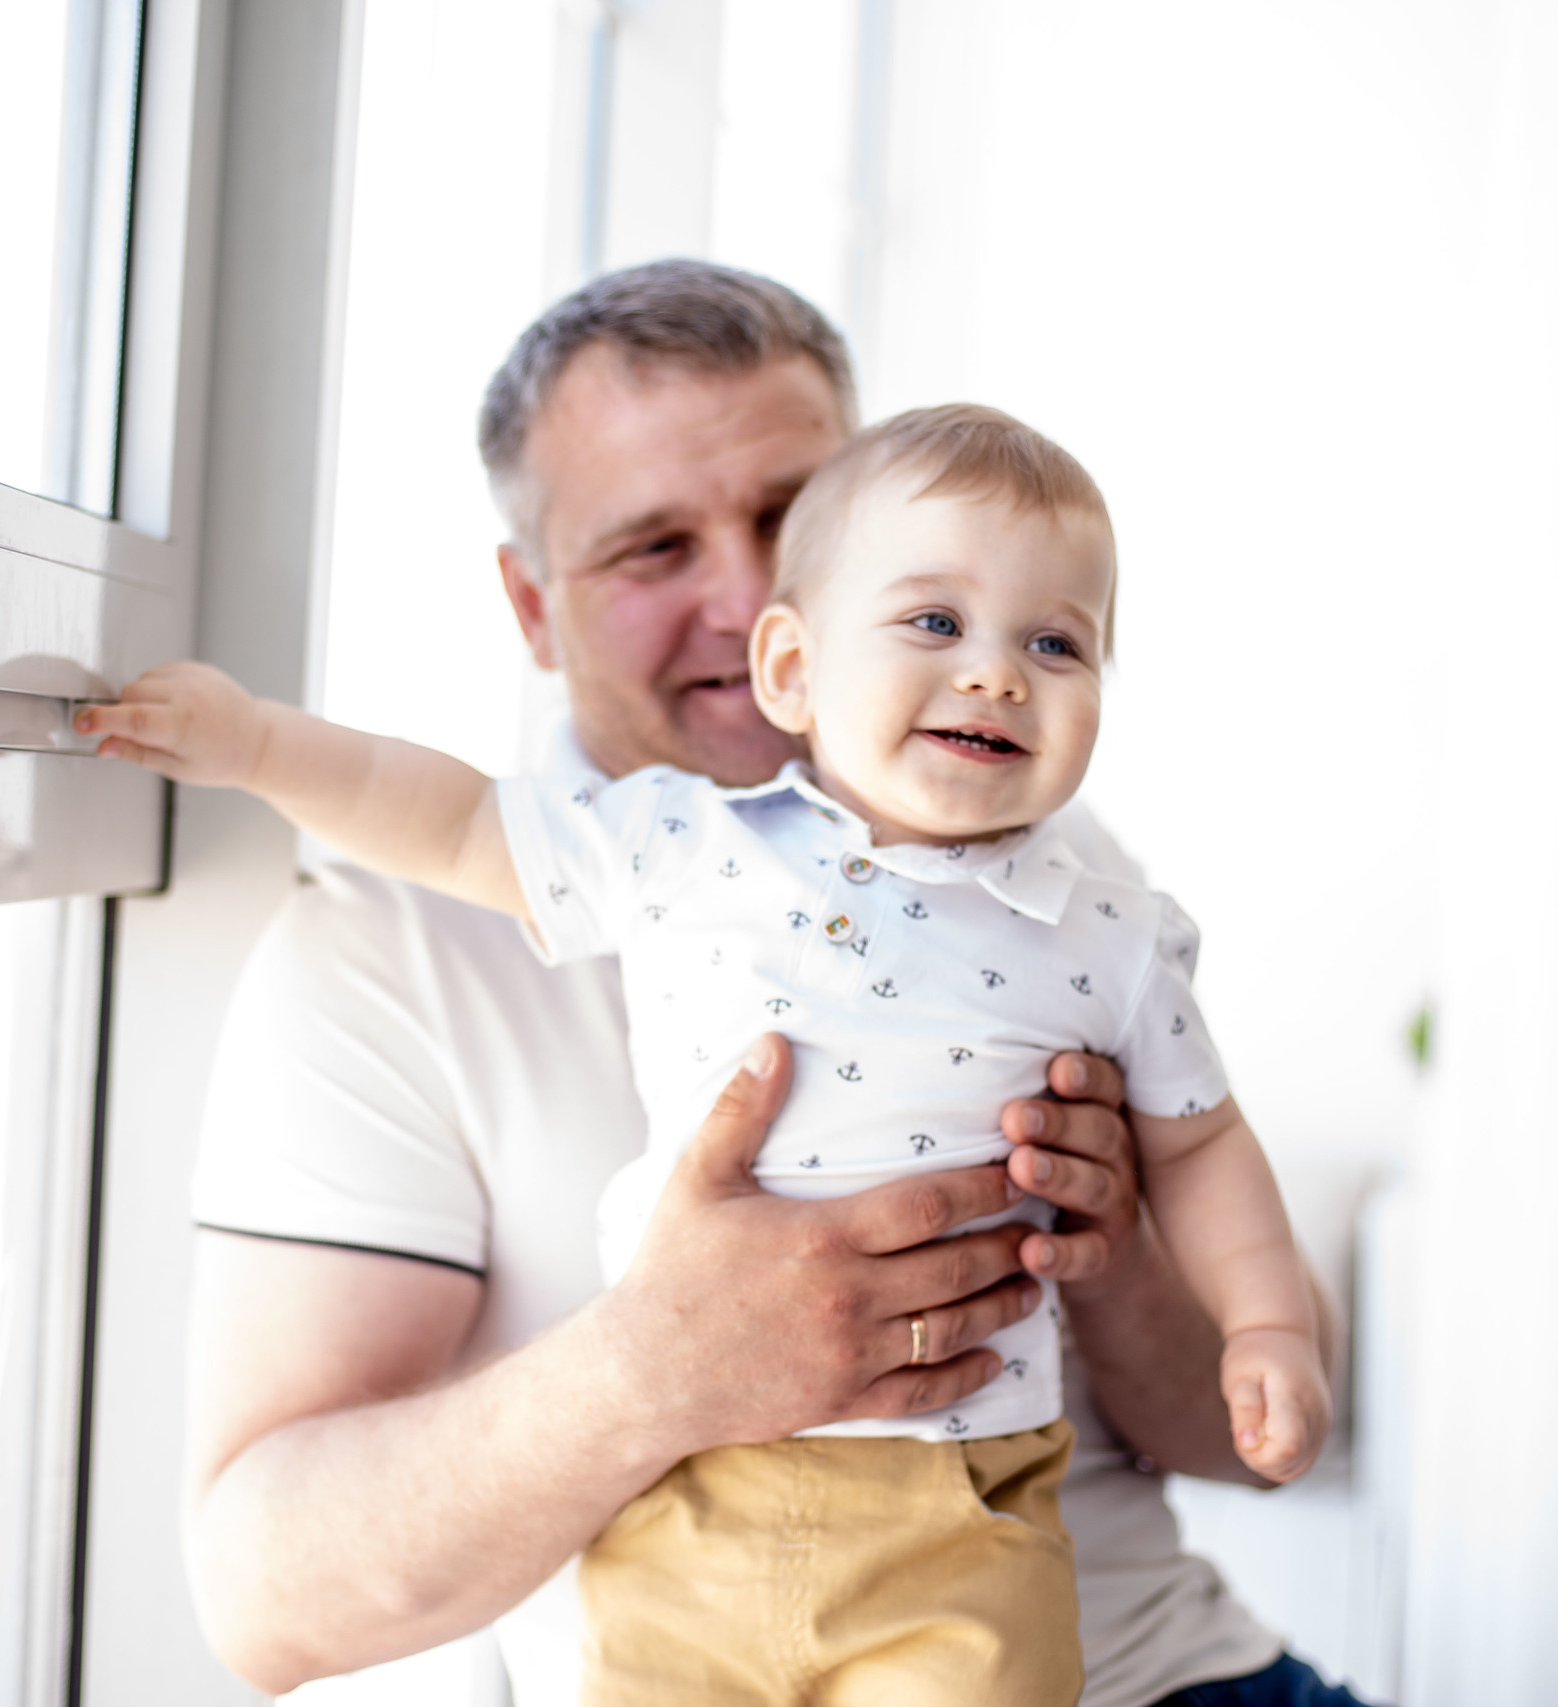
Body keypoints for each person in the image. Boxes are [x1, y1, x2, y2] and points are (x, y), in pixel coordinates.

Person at [151, 261, 1366, 1706]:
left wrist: (1114, 1266)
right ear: (532, 606)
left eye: (791, 518)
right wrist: (656, 1369)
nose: (744, 598)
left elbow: (1266, 1437)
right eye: (655, 547)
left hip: (1160, 1668)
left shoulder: (1043, 858)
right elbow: (269, 1607)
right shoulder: (383, 952)